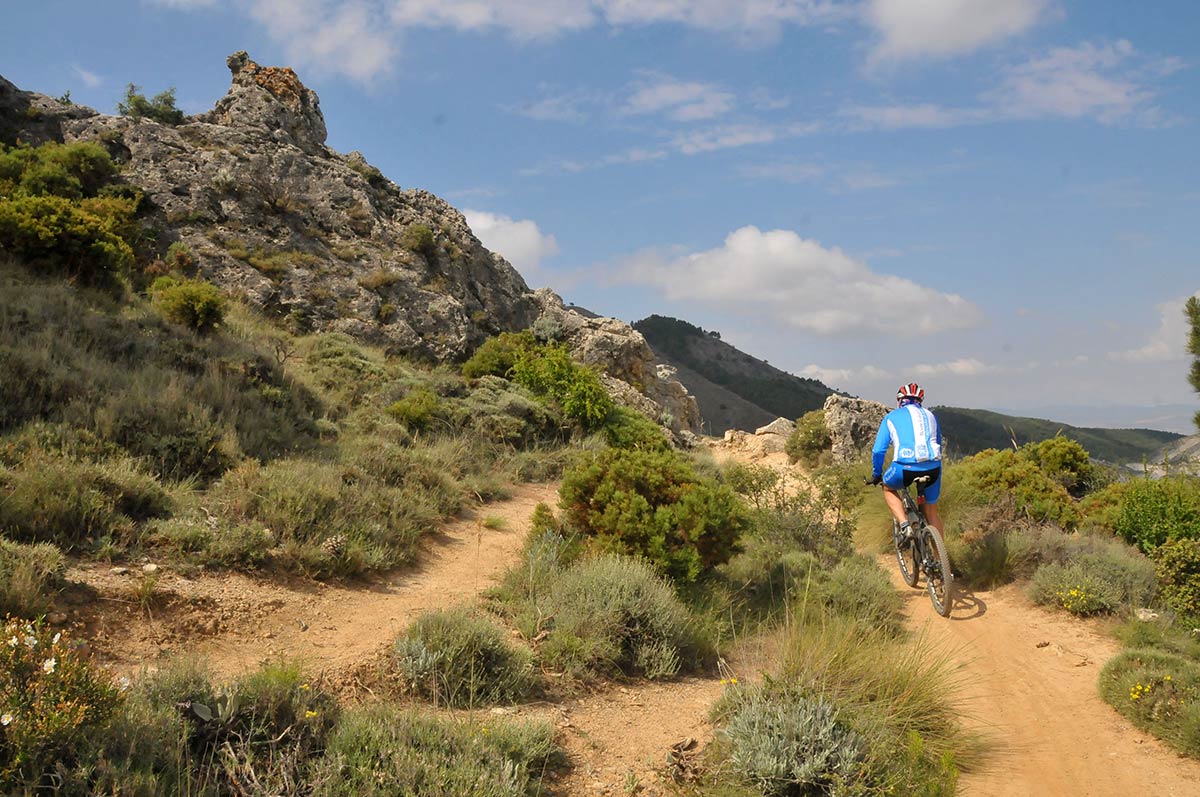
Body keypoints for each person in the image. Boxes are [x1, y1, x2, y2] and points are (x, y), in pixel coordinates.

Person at [870, 382, 944, 536]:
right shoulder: (931, 416)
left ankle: (905, 525)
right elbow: (938, 445)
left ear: (900, 401)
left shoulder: (891, 417)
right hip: (933, 468)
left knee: (888, 487)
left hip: (903, 468)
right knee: (932, 513)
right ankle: (940, 559)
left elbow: (878, 451)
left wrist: (877, 474)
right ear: (920, 401)